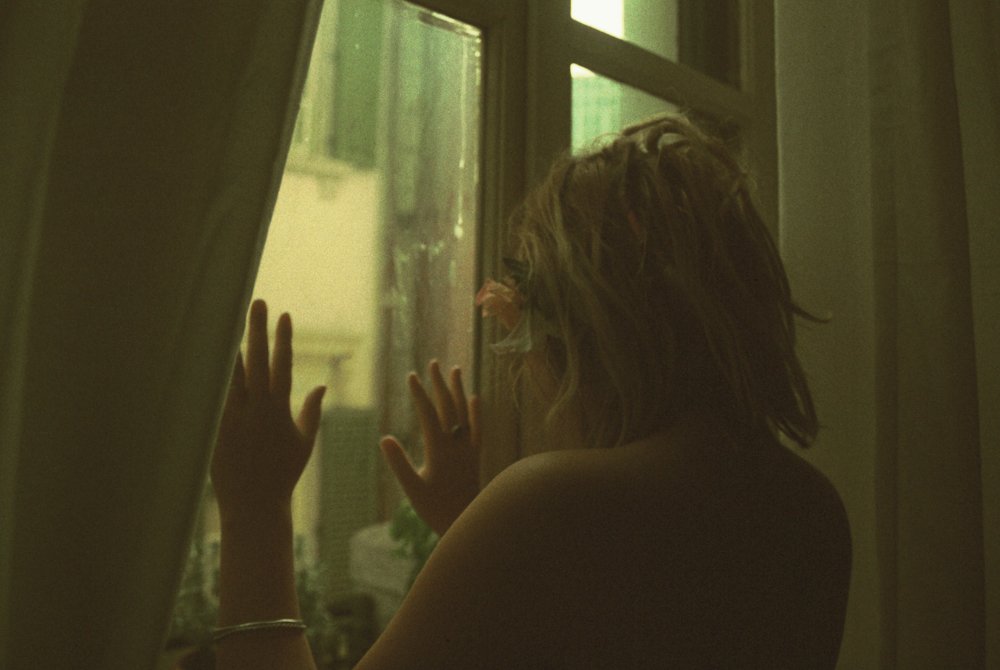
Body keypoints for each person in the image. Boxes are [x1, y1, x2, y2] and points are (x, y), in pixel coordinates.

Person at [209, 113, 852, 669]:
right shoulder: (810, 511)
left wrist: (255, 510)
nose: (536, 379)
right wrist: (470, 533)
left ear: (586, 330)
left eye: (528, 337)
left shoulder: (554, 508)